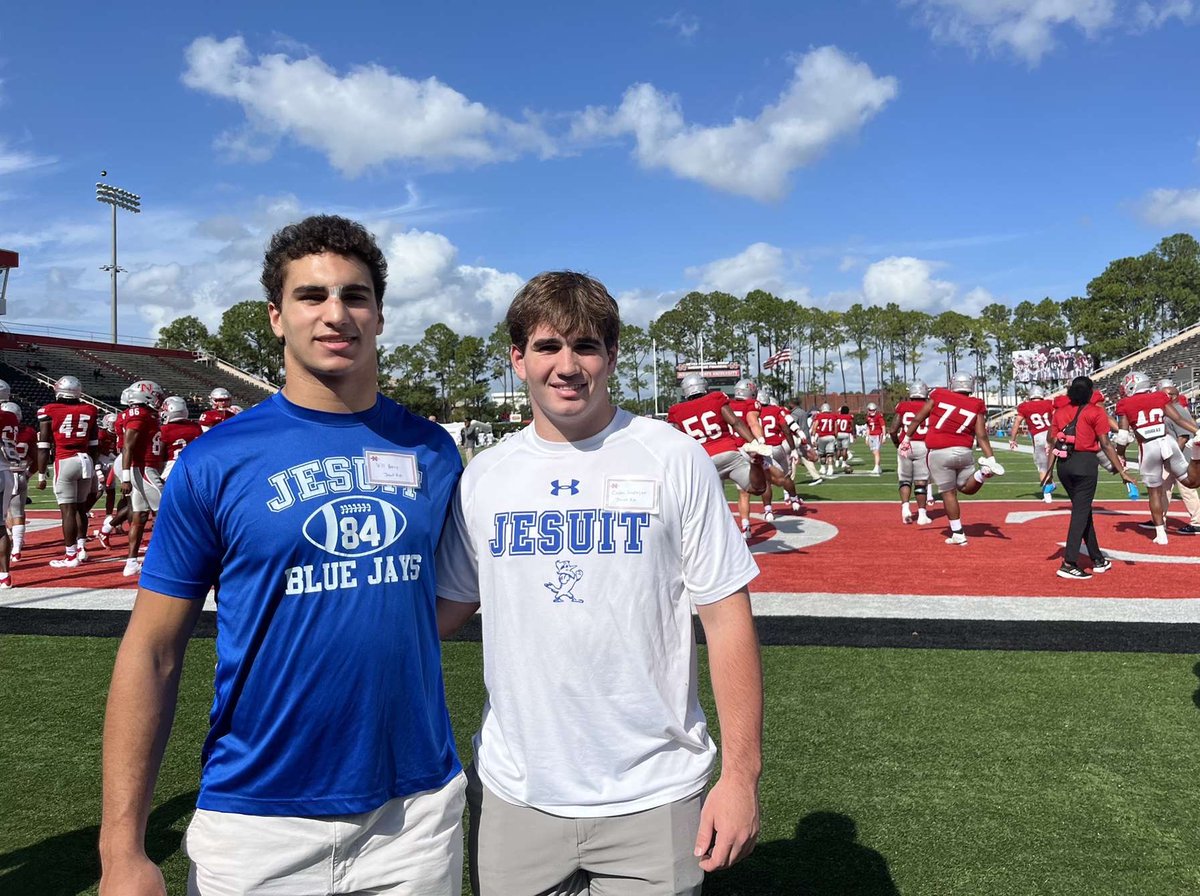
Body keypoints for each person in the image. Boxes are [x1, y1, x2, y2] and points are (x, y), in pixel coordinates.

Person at [99, 215, 466, 896]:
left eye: (355, 297)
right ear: (276, 317)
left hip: (413, 815)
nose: (336, 315)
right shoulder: (215, 461)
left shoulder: (433, 452)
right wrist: (121, 849)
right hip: (257, 819)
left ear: (380, 316)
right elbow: (151, 651)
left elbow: (452, 592)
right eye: (312, 296)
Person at [436, 271, 763, 896]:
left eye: (585, 346)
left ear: (611, 356)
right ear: (518, 357)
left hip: (654, 792)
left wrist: (741, 776)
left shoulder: (673, 457)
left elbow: (727, 620)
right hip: (518, 793)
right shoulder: (487, 475)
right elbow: (448, 606)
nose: (567, 366)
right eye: (547, 347)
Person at [1049, 376, 1136, 579]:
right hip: (1085, 464)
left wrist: (1048, 472)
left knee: (1083, 511)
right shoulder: (1096, 411)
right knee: (1080, 513)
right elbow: (1105, 444)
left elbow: (1052, 441)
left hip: (1063, 465)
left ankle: (1097, 559)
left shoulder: (1060, 412)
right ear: (1090, 392)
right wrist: (1122, 471)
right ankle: (1069, 562)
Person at [666, 372, 769, 539]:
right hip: (729, 454)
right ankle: (755, 463)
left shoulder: (676, 411)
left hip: (703, 462)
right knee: (757, 488)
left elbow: (675, 441)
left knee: (701, 508)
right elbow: (735, 422)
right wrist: (754, 444)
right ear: (704, 386)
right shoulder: (715, 398)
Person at [906, 372, 1004, 546]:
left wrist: (906, 438)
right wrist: (991, 458)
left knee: (949, 493)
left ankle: (958, 533)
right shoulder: (976, 404)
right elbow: (981, 435)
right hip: (964, 451)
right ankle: (983, 473)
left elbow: (918, 417)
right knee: (966, 487)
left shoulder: (939, 395)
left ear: (952, 383)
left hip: (939, 451)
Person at [1114, 370, 1200, 545]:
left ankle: (1161, 534)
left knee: (1154, 492)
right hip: (1167, 442)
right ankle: (1197, 453)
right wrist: (1197, 431)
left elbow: (1122, 437)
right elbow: (1177, 419)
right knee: (1192, 482)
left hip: (1148, 447)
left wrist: (1120, 454)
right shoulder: (1159, 397)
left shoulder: (1125, 403)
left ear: (1132, 385)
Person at [36, 375, 98, 569]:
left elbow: (44, 445)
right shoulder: (90, 410)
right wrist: (93, 466)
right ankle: (81, 549)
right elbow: (94, 444)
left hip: (65, 459)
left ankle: (71, 556)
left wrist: (40, 474)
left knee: (68, 511)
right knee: (81, 509)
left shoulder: (50, 410)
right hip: (85, 460)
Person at [118, 380, 166, 578]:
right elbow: (128, 446)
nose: (158, 399)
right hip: (144, 469)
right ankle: (163, 560)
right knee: (166, 514)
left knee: (139, 517)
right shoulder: (139, 414)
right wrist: (126, 477)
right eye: (155, 395)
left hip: (144, 468)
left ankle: (131, 563)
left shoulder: (148, 415)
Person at [890, 381, 933, 525]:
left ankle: (905, 509)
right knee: (921, 482)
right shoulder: (930, 407)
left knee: (904, 479)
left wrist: (898, 444)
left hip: (906, 445)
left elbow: (893, 430)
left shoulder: (903, 406)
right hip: (923, 445)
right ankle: (922, 515)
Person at [2, 401, 37, 563]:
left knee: (4, 514)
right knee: (18, 512)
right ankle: (16, 548)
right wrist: (29, 474)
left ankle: (13, 543)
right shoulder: (28, 432)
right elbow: (36, 458)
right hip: (20, 474)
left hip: (4, 472)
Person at [1011, 385, 1055, 503]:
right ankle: (1051, 485)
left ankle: (1047, 494)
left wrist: (1013, 439)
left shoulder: (1024, 407)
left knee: (1042, 467)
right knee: (1052, 464)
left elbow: (1017, 423)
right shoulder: (1049, 403)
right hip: (1052, 435)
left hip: (1038, 438)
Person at [864, 402, 885, 475]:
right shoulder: (867, 417)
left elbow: (883, 426)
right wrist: (867, 437)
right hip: (871, 435)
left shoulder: (879, 416)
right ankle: (878, 467)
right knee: (874, 451)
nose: (872, 412)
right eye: (870, 410)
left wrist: (884, 436)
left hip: (878, 435)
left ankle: (876, 467)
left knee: (876, 452)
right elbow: (868, 427)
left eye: (873, 410)